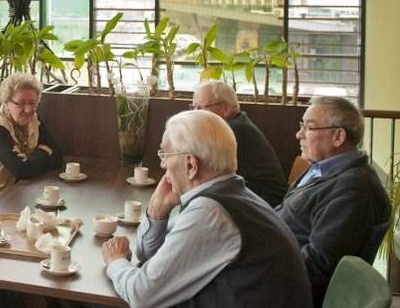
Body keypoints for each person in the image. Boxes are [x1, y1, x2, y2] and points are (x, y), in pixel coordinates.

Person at [102, 110, 312, 308]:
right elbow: (153, 257)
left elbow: (143, 295)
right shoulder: (229, 194)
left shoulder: (211, 211)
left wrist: (115, 262)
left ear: (191, 165)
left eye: (165, 154)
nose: (163, 164)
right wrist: (158, 210)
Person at [276, 96, 390, 307]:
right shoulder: (321, 167)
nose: (299, 134)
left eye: (309, 127)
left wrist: (261, 263)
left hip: (292, 292)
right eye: (302, 125)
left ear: (338, 136)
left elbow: (319, 265)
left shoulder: (354, 190)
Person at [192, 80, 287, 206]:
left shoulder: (233, 131)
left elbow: (199, 171)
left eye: (200, 108)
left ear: (225, 109)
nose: (194, 114)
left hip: (265, 206)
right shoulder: (237, 123)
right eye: (193, 108)